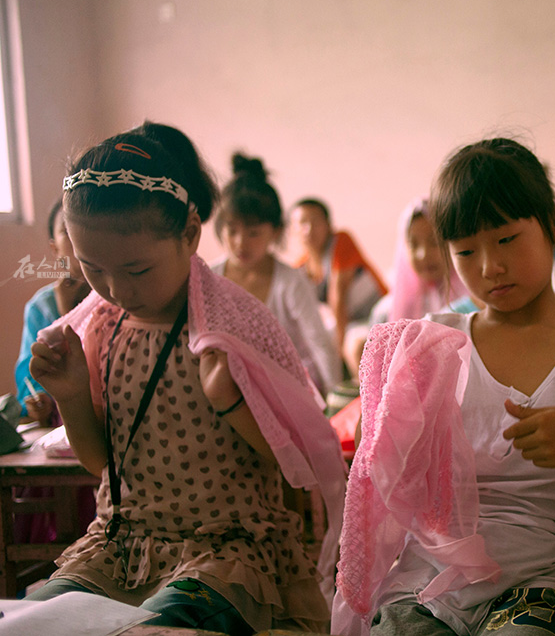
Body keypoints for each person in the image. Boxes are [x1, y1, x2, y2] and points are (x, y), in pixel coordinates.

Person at [330, 137, 555, 636]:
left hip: (538, 583)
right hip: (427, 584)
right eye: (465, 251)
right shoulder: (433, 344)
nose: (488, 267)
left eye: (505, 240)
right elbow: (384, 474)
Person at [28, 128, 346, 633]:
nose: (114, 289)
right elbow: (104, 465)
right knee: (42, 620)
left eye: (136, 269)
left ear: (191, 235)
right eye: (92, 268)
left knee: (155, 628)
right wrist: (69, 393)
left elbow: (298, 463)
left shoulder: (234, 327)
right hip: (121, 549)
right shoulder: (103, 327)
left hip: (225, 553)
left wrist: (230, 404)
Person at [213, 152, 343, 395]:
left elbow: (319, 342)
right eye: (232, 231)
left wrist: (335, 396)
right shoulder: (210, 278)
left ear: (275, 232)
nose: (241, 243)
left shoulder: (291, 282)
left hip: (290, 386)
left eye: (253, 233)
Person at [343, 198, 470, 377]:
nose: (423, 254)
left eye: (434, 242)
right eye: (414, 244)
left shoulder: (471, 301)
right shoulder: (388, 310)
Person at [15, 200, 91, 424]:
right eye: (68, 232)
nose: (79, 239)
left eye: (87, 228)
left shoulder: (116, 296)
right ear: (55, 249)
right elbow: (29, 377)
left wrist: (65, 311)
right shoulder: (41, 307)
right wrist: (37, 401)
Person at [289, 197, 387, 368]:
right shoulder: (300, 268)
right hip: (353, 322)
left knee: (352, 346)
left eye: (316, 222)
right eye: (302, 223)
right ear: (293, 230)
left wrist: (338, 351)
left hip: (378, 314)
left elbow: (338, 297)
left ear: (328, 225)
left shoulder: (341, 241)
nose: (309, 229)